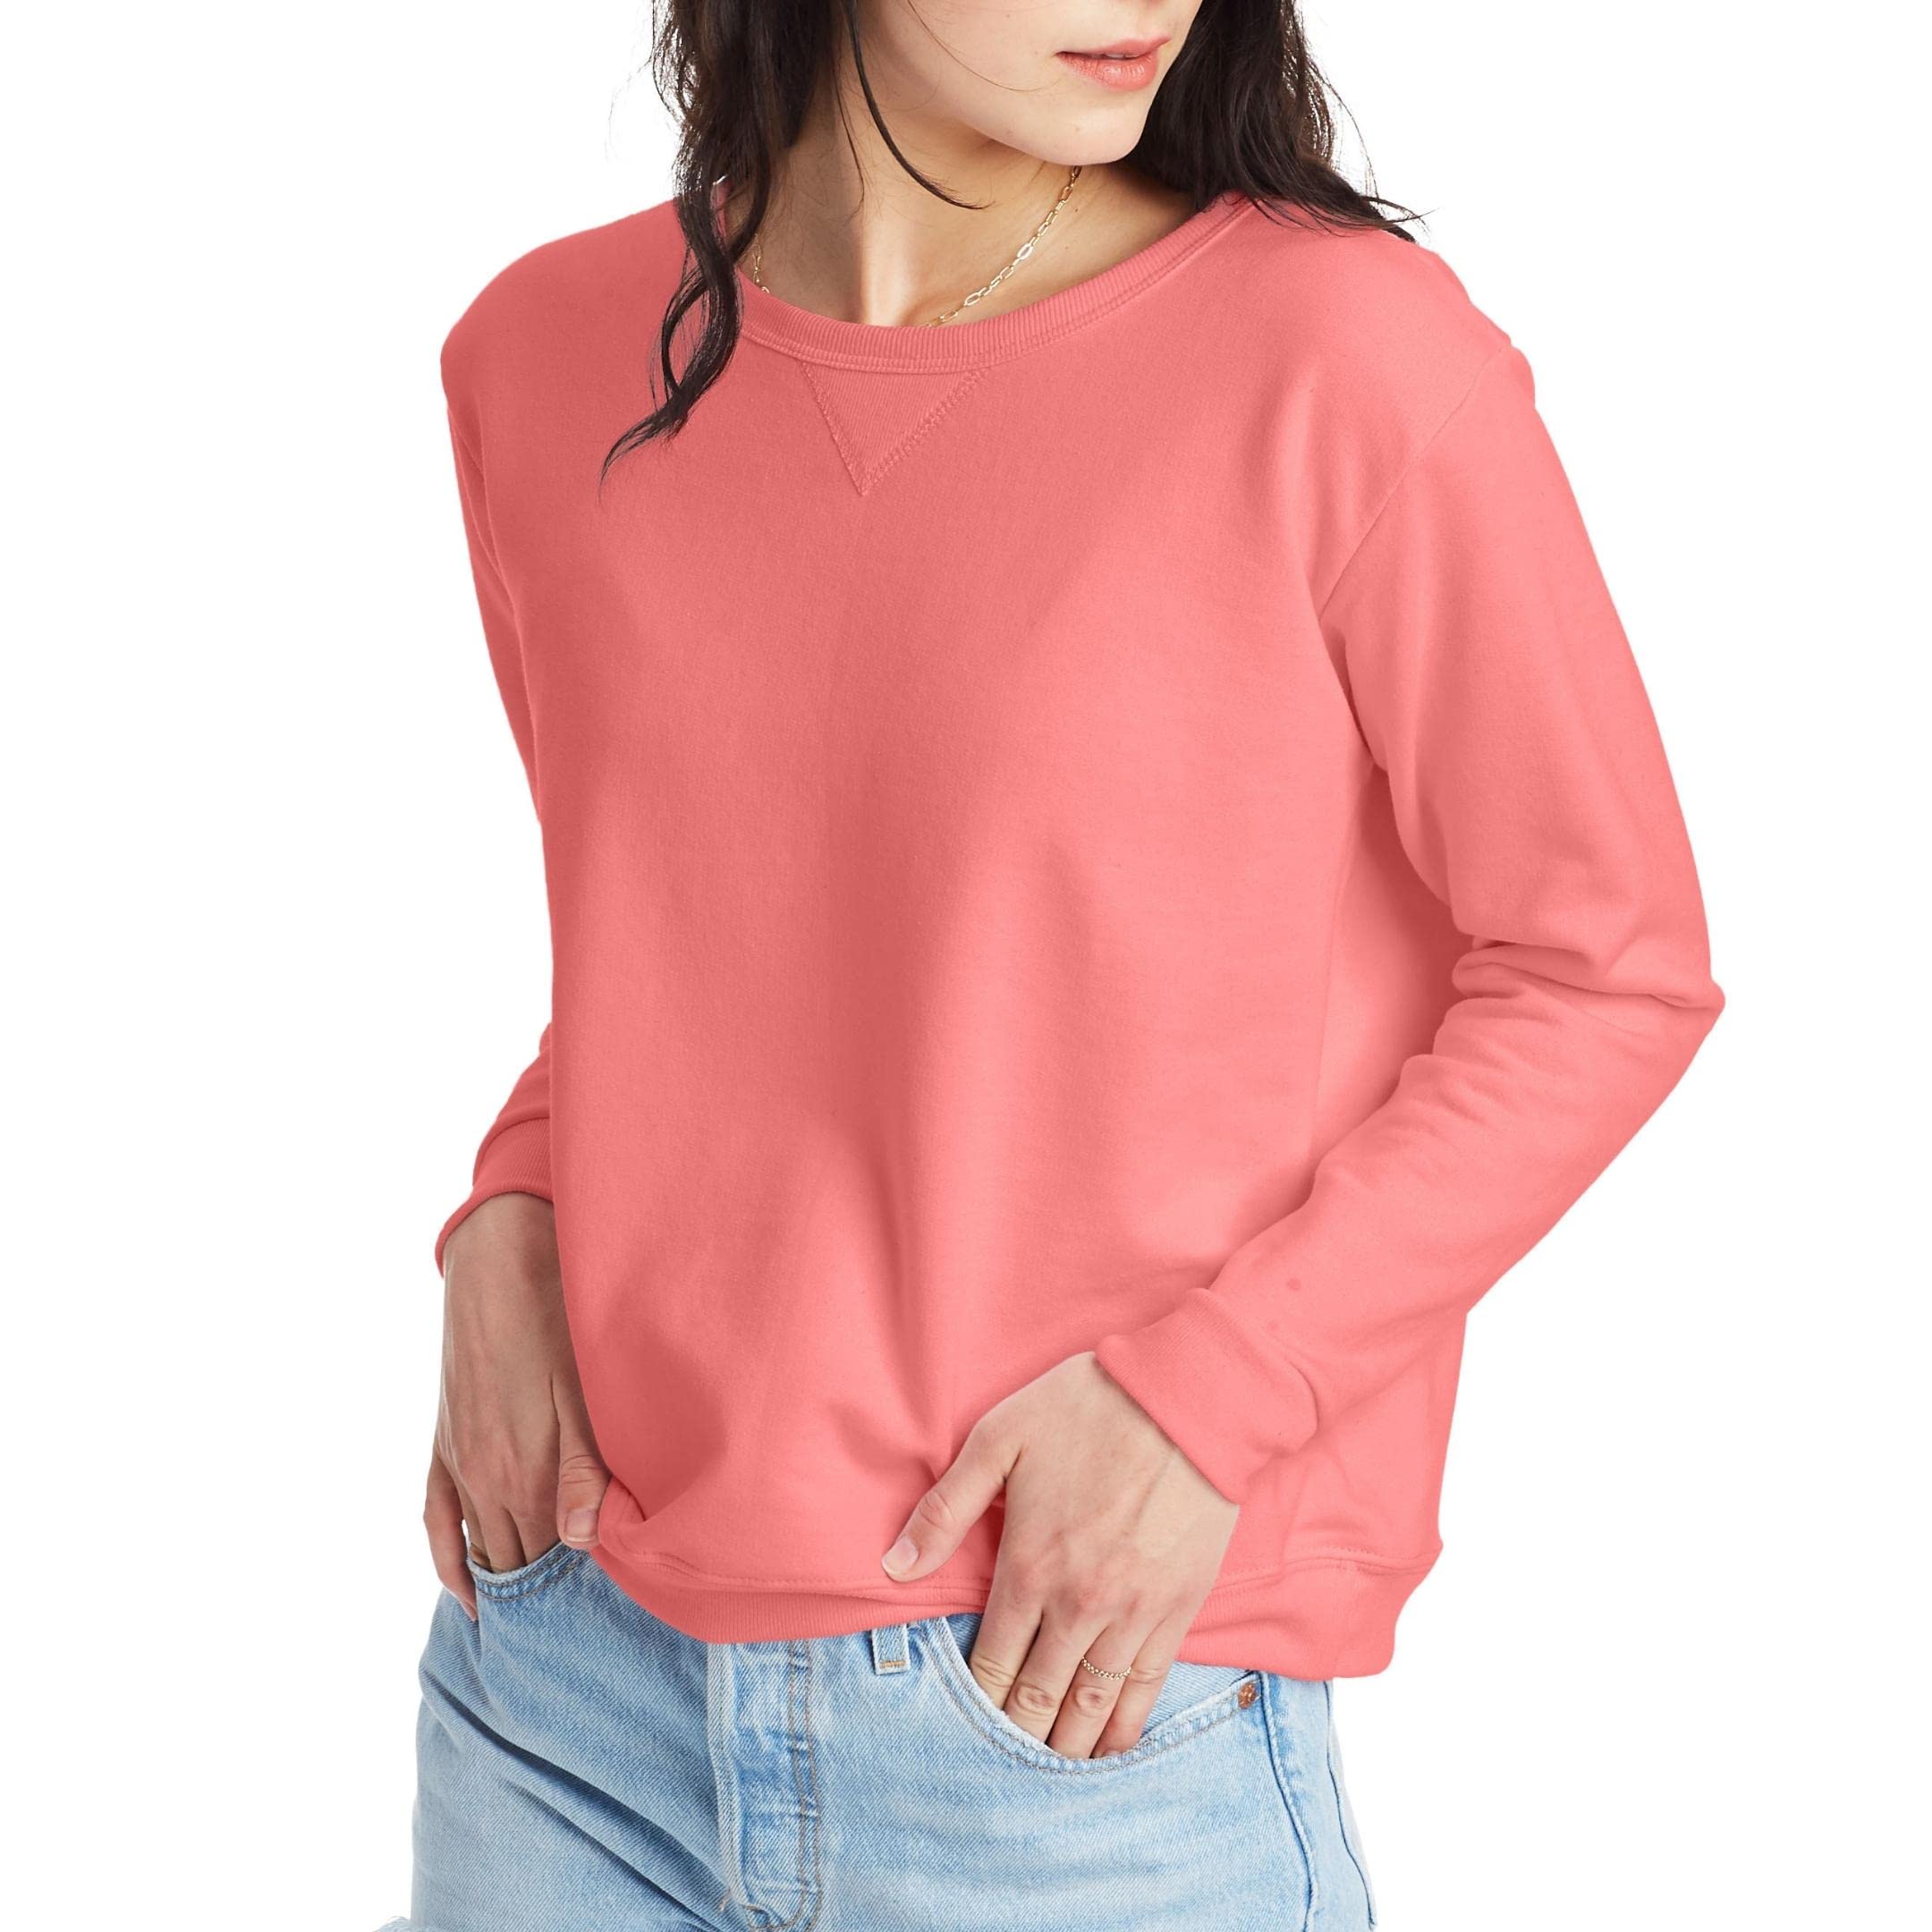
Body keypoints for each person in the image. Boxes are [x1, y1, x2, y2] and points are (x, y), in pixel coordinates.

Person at [385, 4, 1723, 1927]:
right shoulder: (540, 355)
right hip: (563, 1695)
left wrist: (1215, 1392)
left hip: (1070, 1712)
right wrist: (512, 1207)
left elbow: (1608, 965)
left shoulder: (1341, 356)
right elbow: (706, 925)